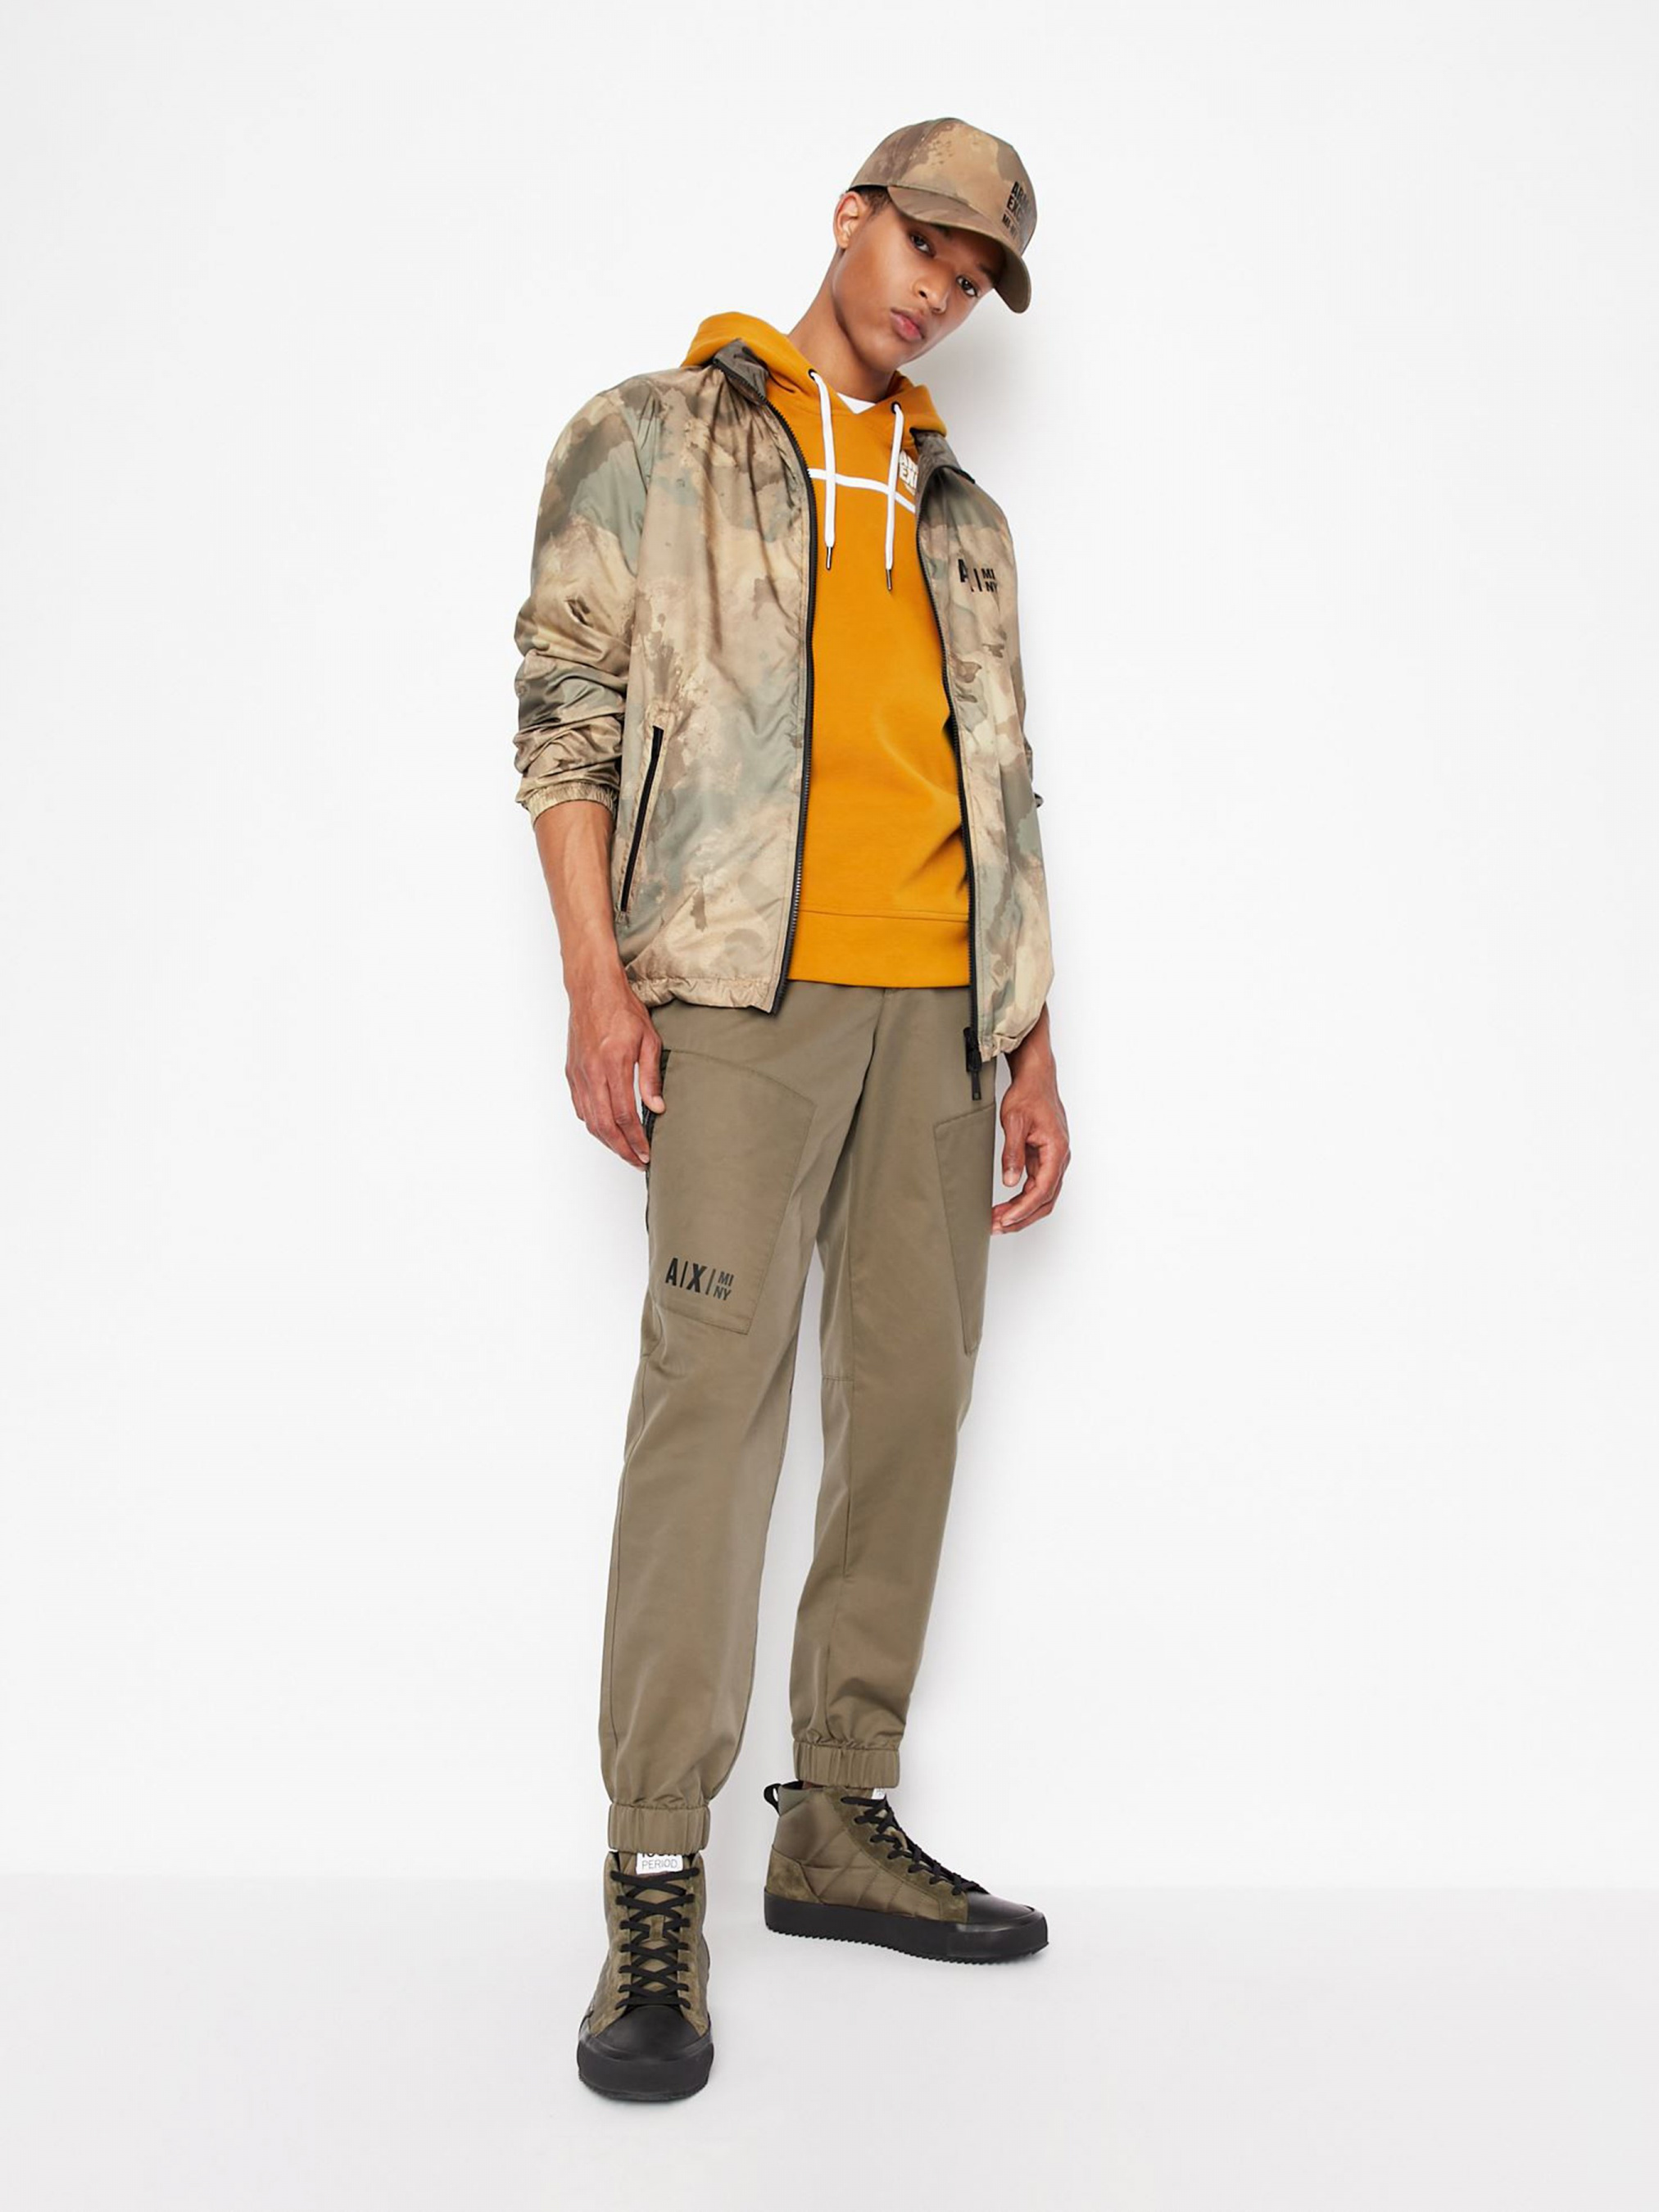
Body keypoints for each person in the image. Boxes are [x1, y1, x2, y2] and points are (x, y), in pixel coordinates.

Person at [510, 118, 1069, 2104]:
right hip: (736, 995)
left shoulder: (962, 514)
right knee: (711, 1411)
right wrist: (596, 978)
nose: (936, 293)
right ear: (850, 220)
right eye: (923, 246)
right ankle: (654, 1872)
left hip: (940, 1013)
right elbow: (563, 707)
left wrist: (1027, 1031)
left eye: (970, 278)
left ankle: (835, 1813)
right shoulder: (654, 435)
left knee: (907, 1401)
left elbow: (999, 781)